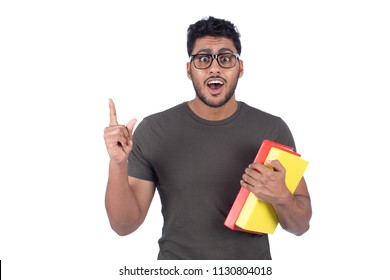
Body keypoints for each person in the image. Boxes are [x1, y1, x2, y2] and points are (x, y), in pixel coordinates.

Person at [103, 16, 312, 260]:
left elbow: (300, 225)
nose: (214, 68)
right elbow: (124, 226)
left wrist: (281, 197)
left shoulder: (272, 129)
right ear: (189, 70)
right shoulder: (153, 130)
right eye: (203, 59)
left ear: (240, 68)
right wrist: (117, 163)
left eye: (225, 58)